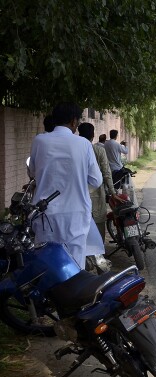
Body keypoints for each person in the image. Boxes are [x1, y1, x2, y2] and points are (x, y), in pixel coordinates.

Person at [29, 103, 102, 269]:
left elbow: (32, 172)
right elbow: (96, 180)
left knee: (47, 265)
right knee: (75, 267)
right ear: (74, 121)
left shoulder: (39, 141)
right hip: (75, 216)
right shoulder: (84, 144)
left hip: (46, 214)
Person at [78, 123, 121, 239]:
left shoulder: (74, 151)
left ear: (79, 134)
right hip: (96, 195)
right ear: (92, 135)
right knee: (98, 226)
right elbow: (107, 173)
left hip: (78, 194)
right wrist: (113, 193)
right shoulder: (99, 151)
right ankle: (98, 254)